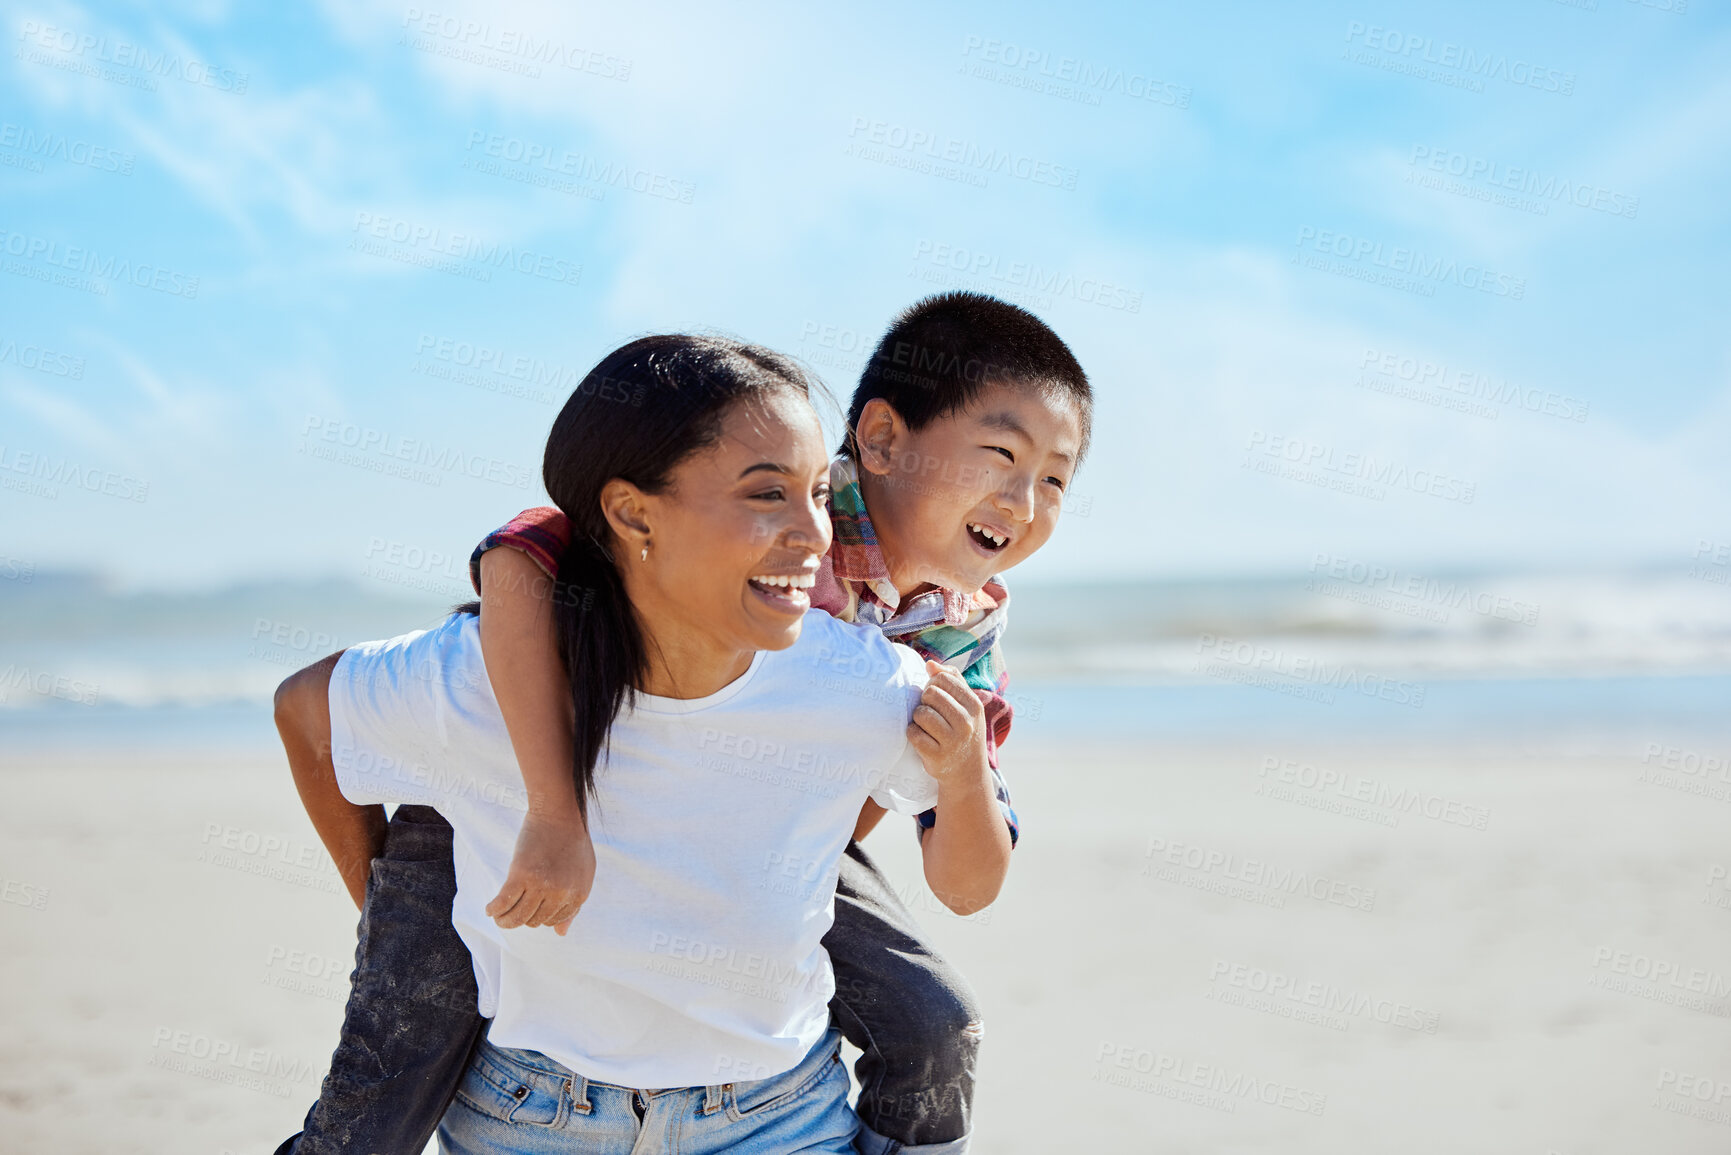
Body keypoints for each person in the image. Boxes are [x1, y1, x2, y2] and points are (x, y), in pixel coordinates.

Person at [277, 293, 1092, 1155]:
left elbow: (952, 849)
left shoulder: (956, 633)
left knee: (935, 1023)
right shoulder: (758, 496)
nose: (1024, 498)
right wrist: (549, 810)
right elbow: (520, 557)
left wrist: (865, 810)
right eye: (1000, 456)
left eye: (1054, 480)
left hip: (767, 835)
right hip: (503, 780)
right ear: (881, 441)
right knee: (387, 1082)